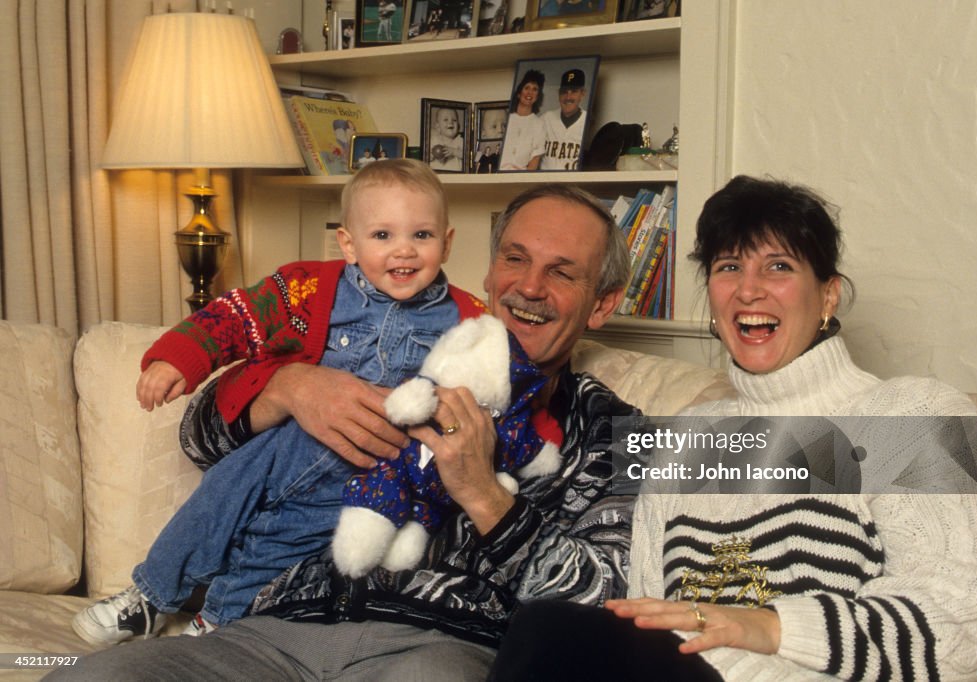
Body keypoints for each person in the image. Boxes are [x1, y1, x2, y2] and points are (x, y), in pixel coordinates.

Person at [49, 184, 639, 681]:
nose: (528, 287)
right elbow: (201, 445)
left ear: (603, 304)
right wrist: (289, 389)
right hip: (267, 631)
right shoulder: (388, 339)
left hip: (433, 649)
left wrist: (485, 494)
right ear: (488, 271)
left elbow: (606, 599)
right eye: (515, 259)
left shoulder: (619, 431)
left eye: (561, 273)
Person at [490, 175, 977, 681]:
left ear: (828, 296)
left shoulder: (911, 416)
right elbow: (643, 614)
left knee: (550, 631)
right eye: (729, 267)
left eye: (778, 266)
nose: (749, 290)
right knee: (549, 626)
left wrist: (765, 627)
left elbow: (962, 632)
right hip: (677, 672)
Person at [70, 159, 485, 645]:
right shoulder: (308, 288)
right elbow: (234, 317)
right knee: (221, 495)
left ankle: (216, 625)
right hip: (285, 446)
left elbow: (501, 388)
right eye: (382, 236)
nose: (404, 251)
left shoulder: (469, 317)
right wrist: (178, 359)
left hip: (370, 477)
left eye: (421, 235)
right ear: (347, 244)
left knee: (280, 541)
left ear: (448, 241)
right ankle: (150, 595)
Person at [540, 68, 587, 171]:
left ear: (582, 93)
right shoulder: (546, 119)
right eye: (564, 92)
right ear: (558, 94)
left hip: (575, 183)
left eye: (574, 91)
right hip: (545, 182)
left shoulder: (588, 122)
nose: (568, 97)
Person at [499, 70, 546, 171]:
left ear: (537, 97)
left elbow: (534, 160)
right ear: (519, 94)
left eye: (535, 89)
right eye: (527, 88)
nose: (530, 92)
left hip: (519, 177)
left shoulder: (539, 124)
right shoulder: (506, 117)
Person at [428, 106, 465, 172]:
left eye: (454, 120)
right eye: (445, 120)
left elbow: (468, 157)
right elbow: (425, 158)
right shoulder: (434, 140)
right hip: (436, 175)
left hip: (457, 176)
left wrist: (454, 151)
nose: (450, 122)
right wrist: (430, 155)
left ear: (458, 127)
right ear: (438, 127)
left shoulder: (460, 141)